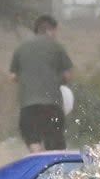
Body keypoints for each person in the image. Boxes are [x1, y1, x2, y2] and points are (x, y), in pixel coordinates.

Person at [9, 15, 73, 152]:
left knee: (32, 139)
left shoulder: (22, 48)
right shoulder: (57, 47)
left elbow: (13, 76)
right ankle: (53, 169)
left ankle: (37, 155)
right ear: (51, 30)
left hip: (29, 105)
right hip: (52, 105)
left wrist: (28, 81)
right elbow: (67, 75)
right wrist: (56, 81)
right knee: (55, 147)